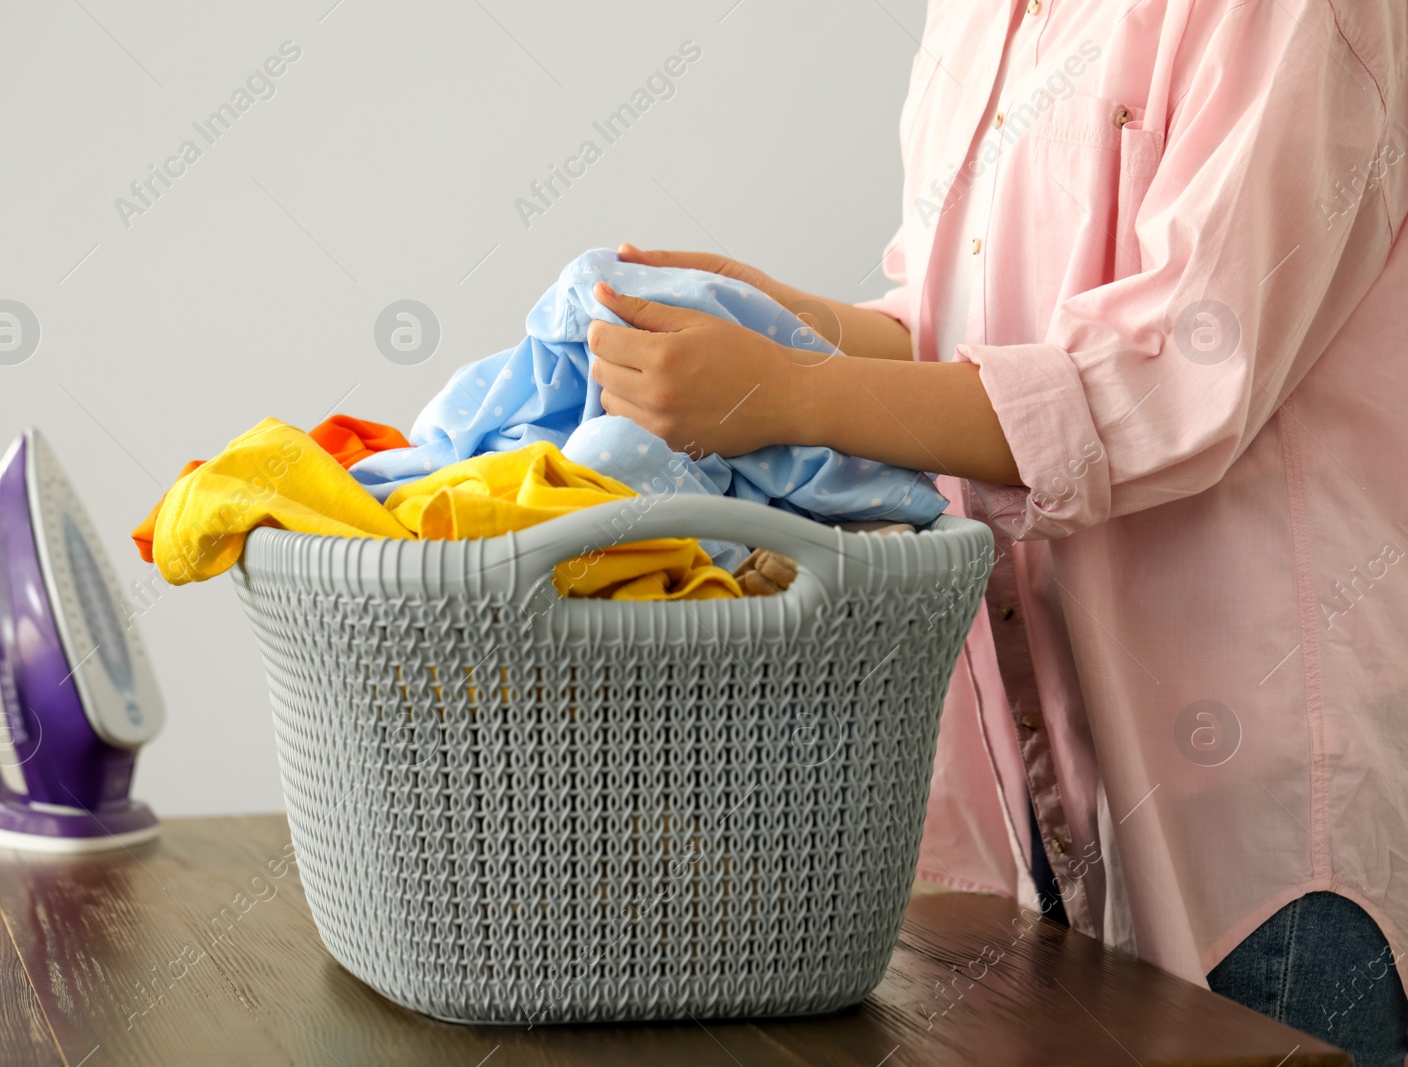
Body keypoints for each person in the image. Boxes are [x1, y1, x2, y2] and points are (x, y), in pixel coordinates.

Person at [586, 0, 1408, 1061]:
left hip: (1244, 830)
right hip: (1045, 799)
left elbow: (1167, 370)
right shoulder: (980, 14)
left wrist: (789, 391)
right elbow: (951, 330)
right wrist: (774, 322)